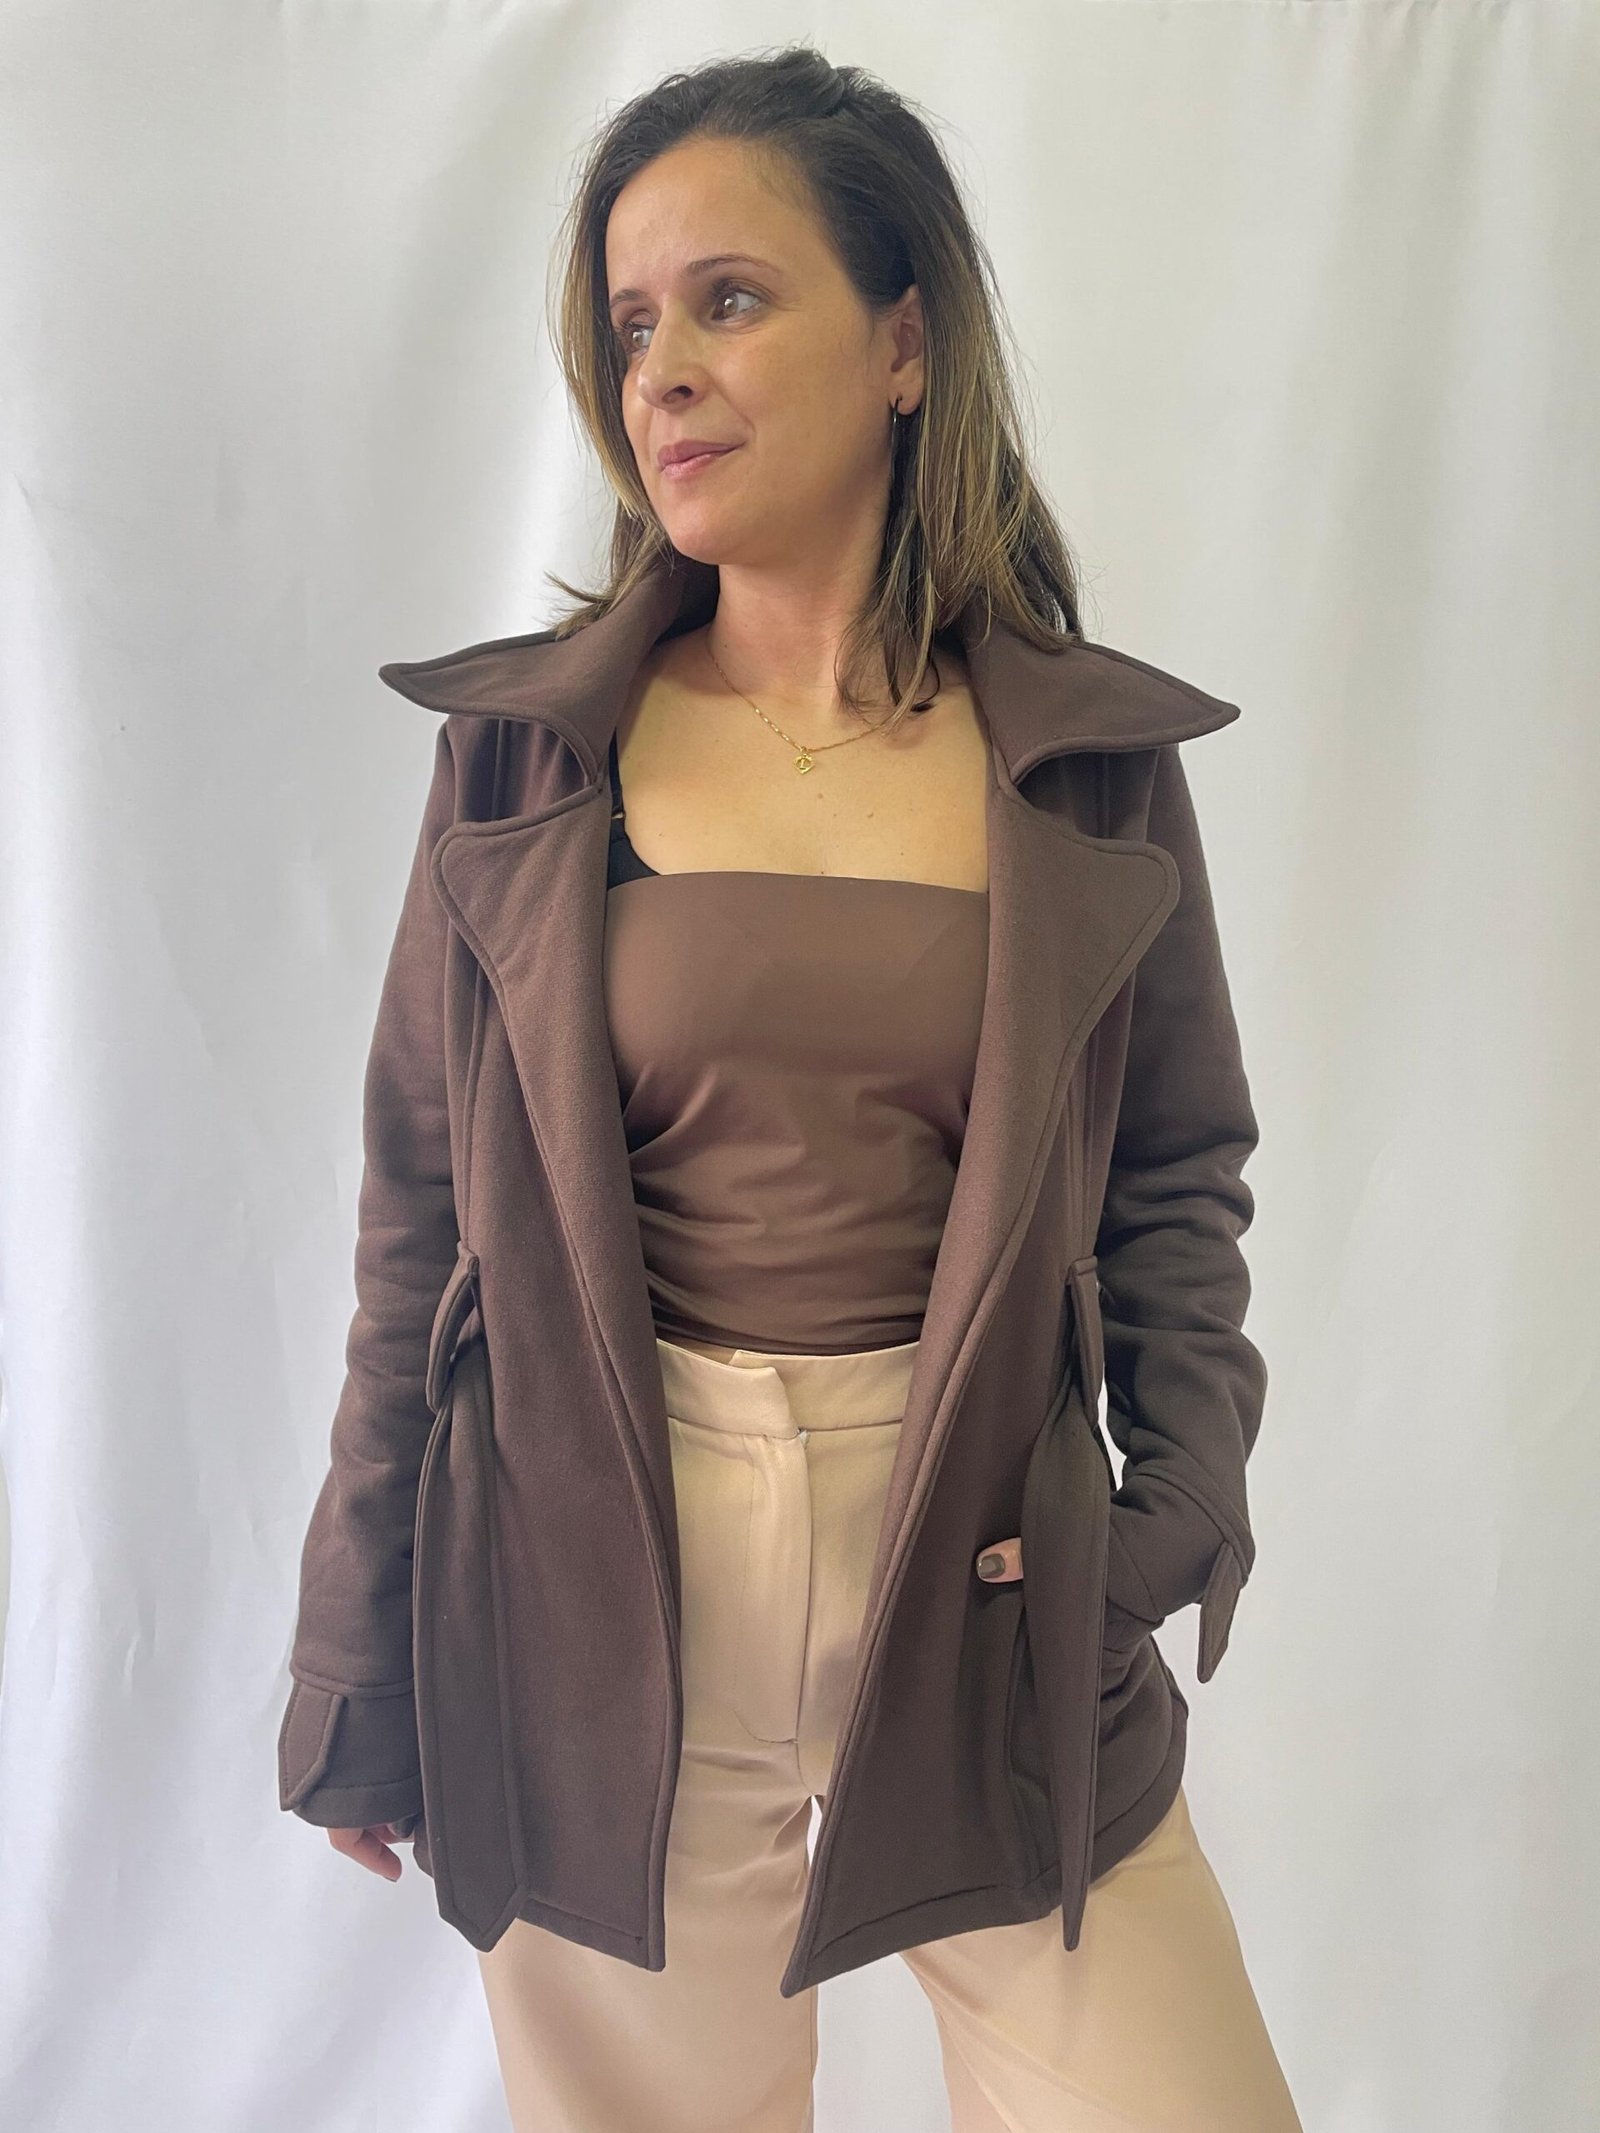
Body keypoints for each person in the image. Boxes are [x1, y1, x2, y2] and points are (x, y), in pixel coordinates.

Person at [280, 43, 1302, 2132]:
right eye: (629, 325)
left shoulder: (1079, 767)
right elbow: (418, 1220)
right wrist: (355, 1652)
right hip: (596, 1589)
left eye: (728, 300)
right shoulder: (528, 759)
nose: (659, 371)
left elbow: (1175, 1176)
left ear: (905, 342)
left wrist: (1171, 1509)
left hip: (989, 1576)